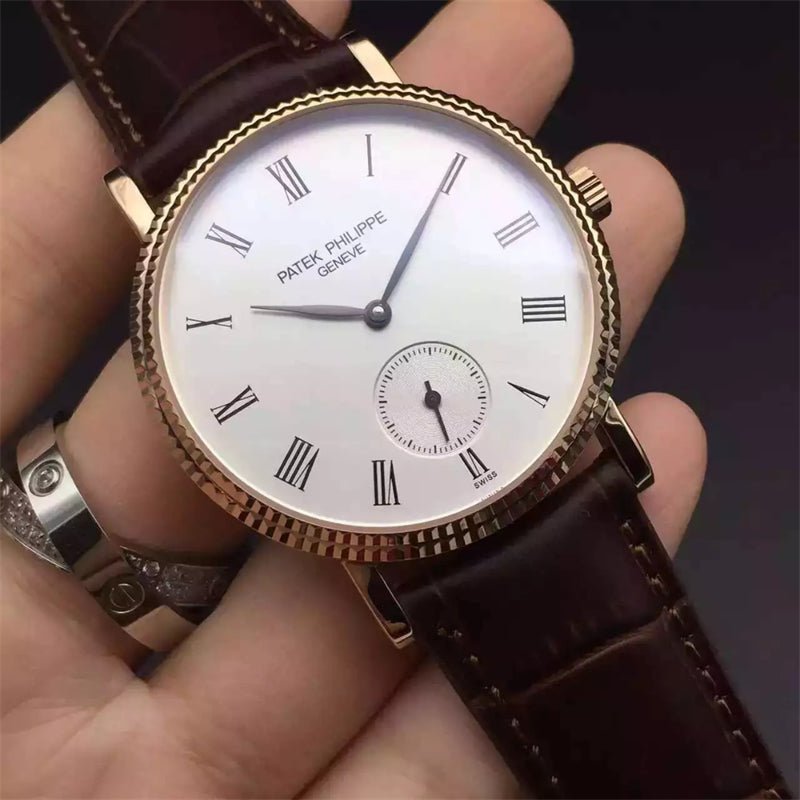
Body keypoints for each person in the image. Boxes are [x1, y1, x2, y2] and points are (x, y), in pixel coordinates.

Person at [1, 1, 705, 795]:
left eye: (380, 303)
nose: (376, 310)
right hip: (443, 531)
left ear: (577, 201)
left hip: (535, 466)